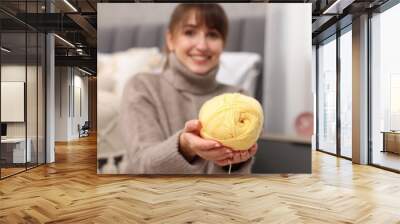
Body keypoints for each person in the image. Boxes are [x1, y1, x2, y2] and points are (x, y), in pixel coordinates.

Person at [119, 3, 258, 174]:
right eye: (190, 32)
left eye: (213, 35)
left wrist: (235, 163)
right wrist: (185, 147)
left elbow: (239, 183)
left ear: (223, 44)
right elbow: (142, 164)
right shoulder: (142, 86)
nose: (202, 46)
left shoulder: (239, 97)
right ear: (171, 40)